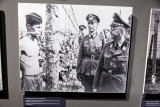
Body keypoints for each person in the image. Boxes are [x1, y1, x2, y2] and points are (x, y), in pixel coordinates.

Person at [93, 13, 131, 93]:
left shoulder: (129, 48)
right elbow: (99, 67)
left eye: (113, 28)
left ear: (121, 31)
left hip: (119, 86)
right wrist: (95, 85)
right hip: (104, 83)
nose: (110, 30)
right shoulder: (107, 45)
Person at [77, 14, 104, 92]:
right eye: (89, 23)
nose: (90, 25)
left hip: (97, 68)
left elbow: (104, 57)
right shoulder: (84, 39)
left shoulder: (101, 38)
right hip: (86, 69)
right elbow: (80, 56)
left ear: (97, 25)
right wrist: (78, 70)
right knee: (87, 90)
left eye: (92, 23)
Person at [19, 13, 43, 91]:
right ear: (29, 26)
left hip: (38, 79)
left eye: (40, 27)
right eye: (37, 27)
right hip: (27, 80)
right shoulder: (21, 42)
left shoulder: (35, 41)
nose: (40, 30)